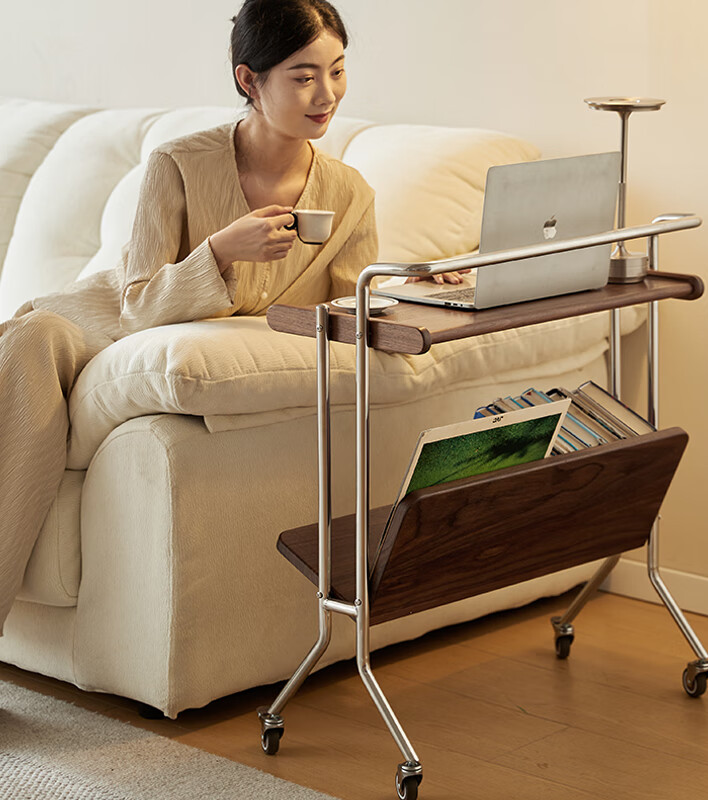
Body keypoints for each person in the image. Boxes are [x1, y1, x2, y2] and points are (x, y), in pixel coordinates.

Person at [1, 0, 430, 635]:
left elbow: (346, 307)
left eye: (337, 71)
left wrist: (413, 280)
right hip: (89, 324)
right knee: (32, 338)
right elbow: (138, 300)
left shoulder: (349, 194)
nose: (327, 94)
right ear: (249, 80)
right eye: (304, 76)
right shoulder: (178, 163)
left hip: (154, 343)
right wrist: (220, 253)